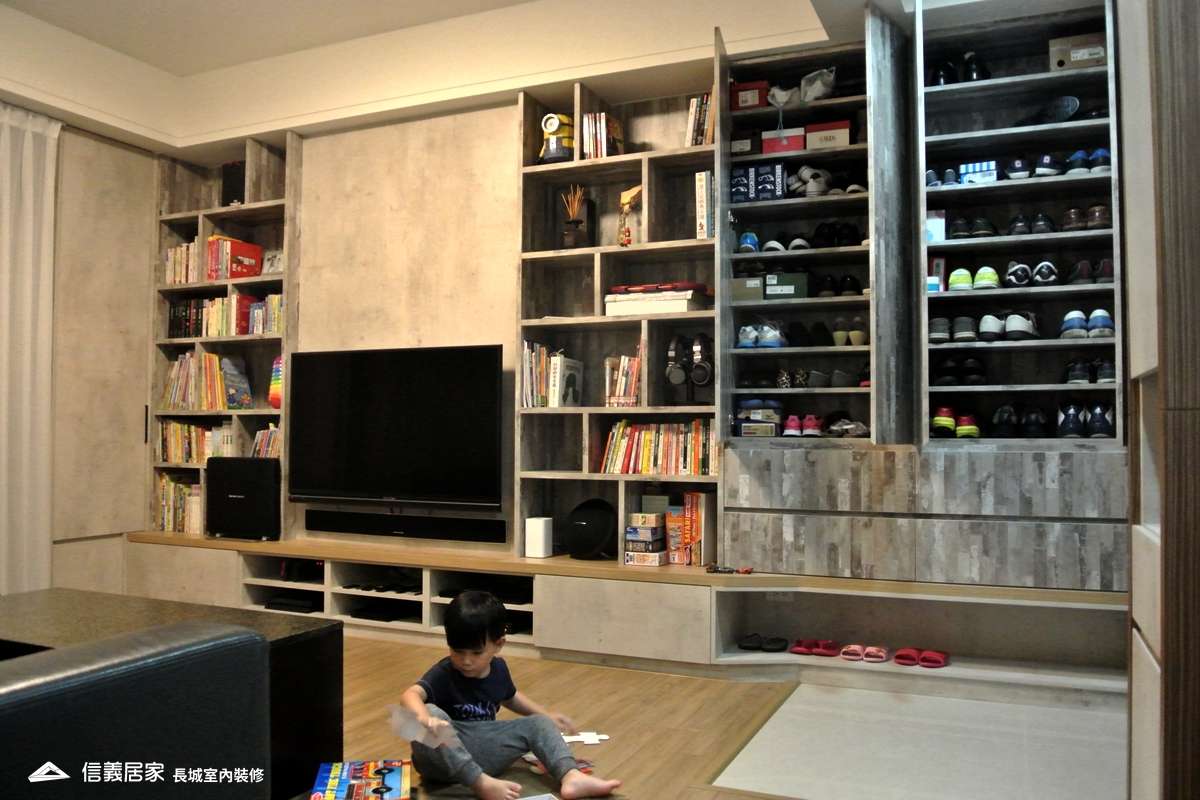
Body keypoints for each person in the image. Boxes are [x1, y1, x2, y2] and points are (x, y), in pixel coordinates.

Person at [399, 590, 621, 800]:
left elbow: (510, 697)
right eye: (458, 651)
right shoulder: (444, 672)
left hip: (483, 752)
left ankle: (571, 776)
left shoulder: (499, 669)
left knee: (539, 722)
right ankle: (480, 783)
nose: (466, 661)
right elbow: (410, 695)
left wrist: (546, 716)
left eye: (476, 653)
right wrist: (425, 718)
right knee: (425, 714)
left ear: (499, 644)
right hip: (442, 760)